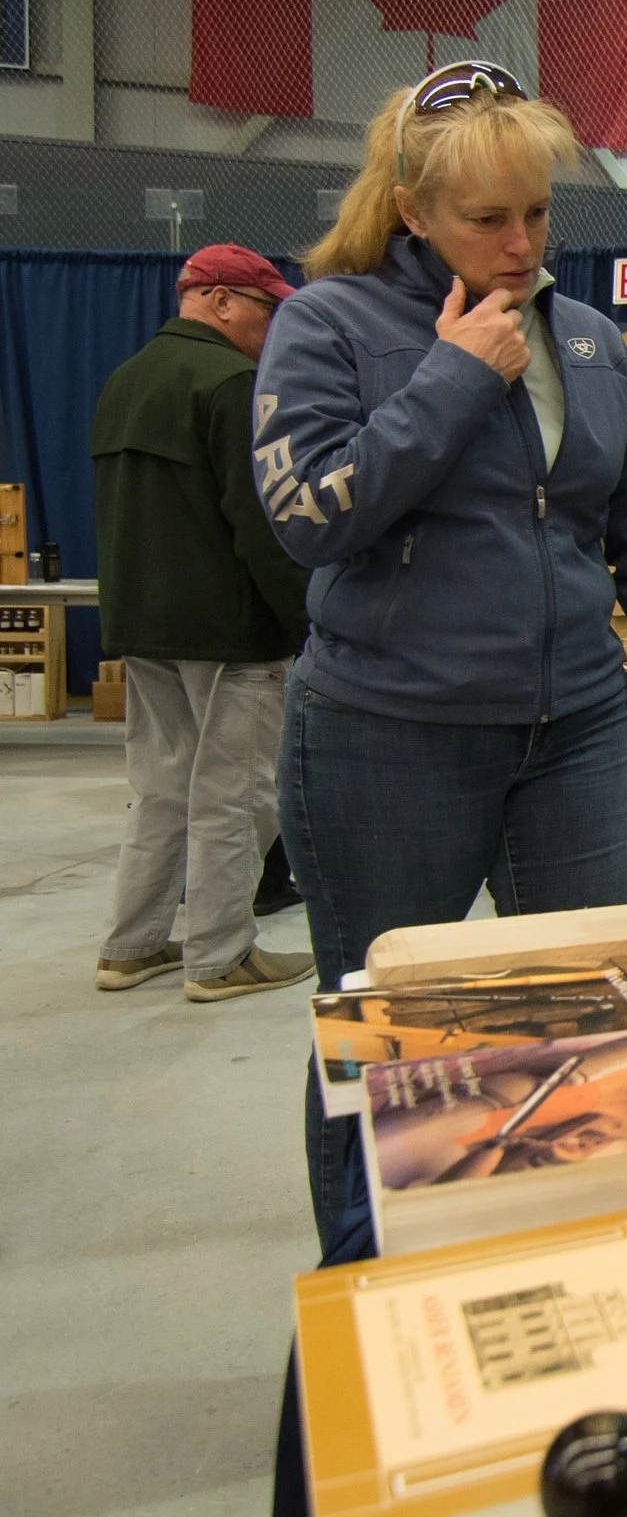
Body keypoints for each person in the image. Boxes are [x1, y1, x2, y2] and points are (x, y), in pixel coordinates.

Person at [252, 60, 627, 1247]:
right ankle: (369, 1279)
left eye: (538, 215)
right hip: (385, 743)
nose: (520, 244)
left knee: (584, 1019)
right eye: (486, 220)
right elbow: (310, 515)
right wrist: (456, 378)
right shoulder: (328, 324)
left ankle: (562, 1261)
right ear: (413, 212)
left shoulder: (596, 346)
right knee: (387, 1033)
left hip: (572, 739)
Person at [89, 243, 317, 1001]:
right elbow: (261, 523)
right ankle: (220, 954)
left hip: (142, 627)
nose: (271, 323)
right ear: (219, 301)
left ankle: (131, 944)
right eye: (265, 307)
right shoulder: (230, 383)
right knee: (237, 791)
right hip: (228, 631)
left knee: (161, 785)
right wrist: (306, 619)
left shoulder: (125, 380)